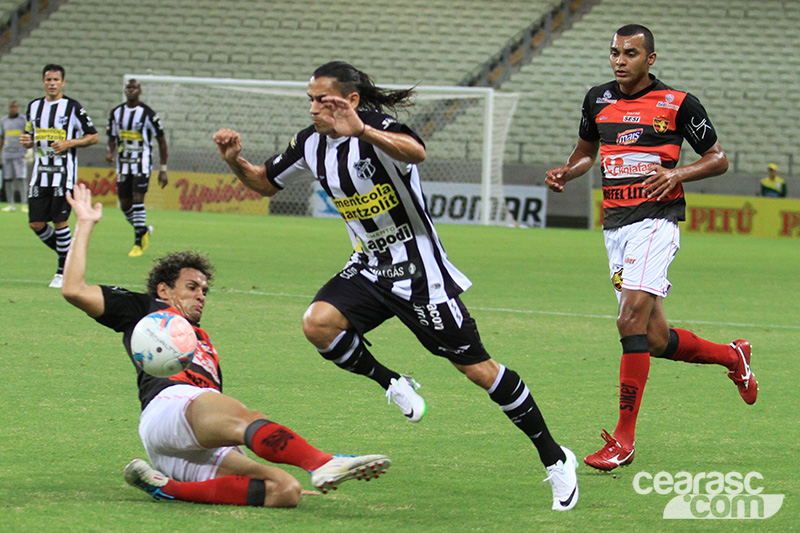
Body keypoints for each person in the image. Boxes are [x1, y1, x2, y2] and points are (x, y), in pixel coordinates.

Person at [214, 61, 578, 511]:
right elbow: (265, 183)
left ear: (349, 100)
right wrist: (235, 161)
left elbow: (415, 152)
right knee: (318, 324)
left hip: (419, 271)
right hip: (369, 266)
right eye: (309, 99)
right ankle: (391, 381)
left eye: (322, 100)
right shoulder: (310, 143)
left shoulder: (379, 129)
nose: (313, 108)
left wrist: (361, 129)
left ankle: (556, 457)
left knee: (478, 370)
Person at [62, 182, 391, 507]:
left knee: (283, 490)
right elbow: (74, 289)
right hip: (169, 411)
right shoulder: (145, 312)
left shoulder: (201, 340)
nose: (200, 295)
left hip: (187, 439)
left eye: (204, 290)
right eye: (191, 287)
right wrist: (85, 224)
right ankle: (322, 461)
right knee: (244, 417)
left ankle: (164, 487)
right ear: (164, 290)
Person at [544, 24, 757, 472]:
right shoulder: (596, 99)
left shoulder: (679, 104)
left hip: (657, 222)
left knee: (628, 320)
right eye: (615, 52)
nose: (620, 60)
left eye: (631, 53)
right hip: (615, 227)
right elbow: (587, 152)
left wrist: (677, 174)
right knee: (655, 339)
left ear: (650, 59)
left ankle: (623, 440)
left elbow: (719, 158)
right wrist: (568, 171)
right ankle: (732, 356)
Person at [20, 64, 98, 288]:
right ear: (43, 82)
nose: (52, 83)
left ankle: (62, 270)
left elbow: (93, 137)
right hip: (40, 172)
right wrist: (27, 140)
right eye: (48, 80)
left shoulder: (72, 107)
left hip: (63, 174)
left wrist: (70, 142)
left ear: (63, 82)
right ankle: (71, 252)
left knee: (60, 221)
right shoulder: (34, 106)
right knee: (35, 223)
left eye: (56, 80)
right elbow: (29, 133)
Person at [106, 79, 169, 257]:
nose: (131, 90)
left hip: (142, 163)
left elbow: (162, 141)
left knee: (138, 198)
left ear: (140, 91)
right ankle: (143, 229)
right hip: (123, 164)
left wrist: (163, 169)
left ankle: (137, 242)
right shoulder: (116, 113)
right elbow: (111, 137)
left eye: (134, 88)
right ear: (125, 90)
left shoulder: (148, 114)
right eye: (128, 87)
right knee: (125, 205)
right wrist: (111, 153)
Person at [0, 100, 29, 212]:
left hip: (20, 153)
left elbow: (27, 135)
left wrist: (28, 150)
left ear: (18, 108)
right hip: (7, 154)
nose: (13, 109)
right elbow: (2, 137)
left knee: (21, 178)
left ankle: (24, 203)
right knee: (8, 179)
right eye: (11, 107)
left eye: (15, 107)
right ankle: (10, 204)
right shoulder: (3, 121)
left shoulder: (23, 120)